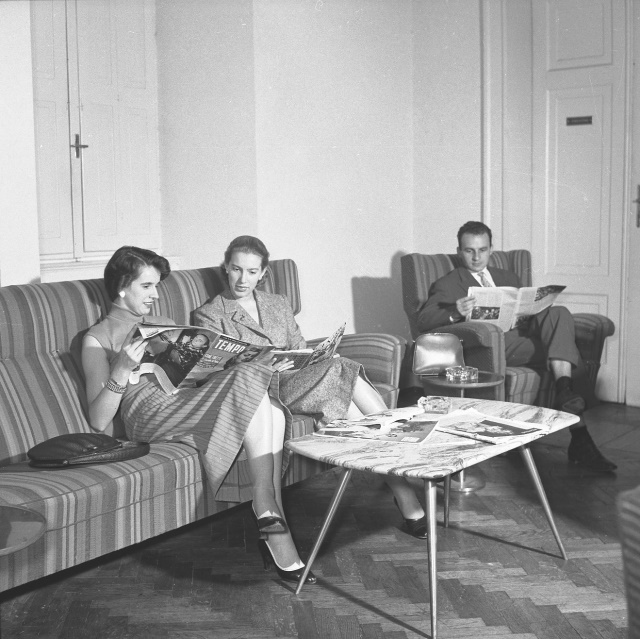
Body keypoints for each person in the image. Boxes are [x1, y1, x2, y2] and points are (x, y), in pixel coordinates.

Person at [81, 246, 317, 585]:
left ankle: (270, 516)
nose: (155, 294)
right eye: (146, 286)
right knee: (258, 388)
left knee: (266, 396)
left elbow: (194, 375)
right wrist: (120, 369)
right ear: (121, 287)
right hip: (148, 413)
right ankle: (266, 504)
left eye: (157, 285)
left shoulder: (164, 324)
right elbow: (98, 419)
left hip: (186, 399)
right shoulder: (98, 338)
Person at [193, 235, 431, 540]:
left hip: (296, 378)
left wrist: (315, 357)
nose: (243, 279)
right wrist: (262, 367)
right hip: (260, 392)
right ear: (226, 267)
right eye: (236, 269)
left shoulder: (277, 303)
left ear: (263, 273)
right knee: (341, 370)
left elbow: (299, 347)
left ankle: (403, 489)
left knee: (341, 378)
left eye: (251, 272)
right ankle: (403, 469)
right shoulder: (210, 314)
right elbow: (212, 373)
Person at [416, 220, 616, 472]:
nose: (477, 257)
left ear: (491, 249)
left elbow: (526, 309)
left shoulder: (507, 277)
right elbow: (423, 320)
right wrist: (455, 311)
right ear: (459, 251)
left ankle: (566, 396)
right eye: (469, 250)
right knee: (566, 350)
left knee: (559, 313)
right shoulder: (449, 283)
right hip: (491, 347)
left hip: (522, 337)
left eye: (483, 250)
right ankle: (577, 428)